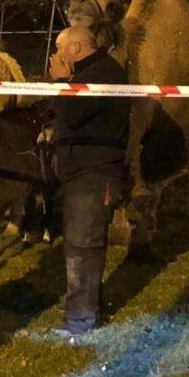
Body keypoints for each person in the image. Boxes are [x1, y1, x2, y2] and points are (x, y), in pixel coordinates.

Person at [48, 25, 131, 336]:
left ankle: (81, 321)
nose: (55, 56)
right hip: (82, 172)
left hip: (94, 174)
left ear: (76, 47)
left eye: (59, 48)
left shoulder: (102, 74)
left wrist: (60, 82)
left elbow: (71, 113)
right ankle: (86, 310)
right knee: (81, 243)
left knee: (83, 245)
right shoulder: (90, 73)